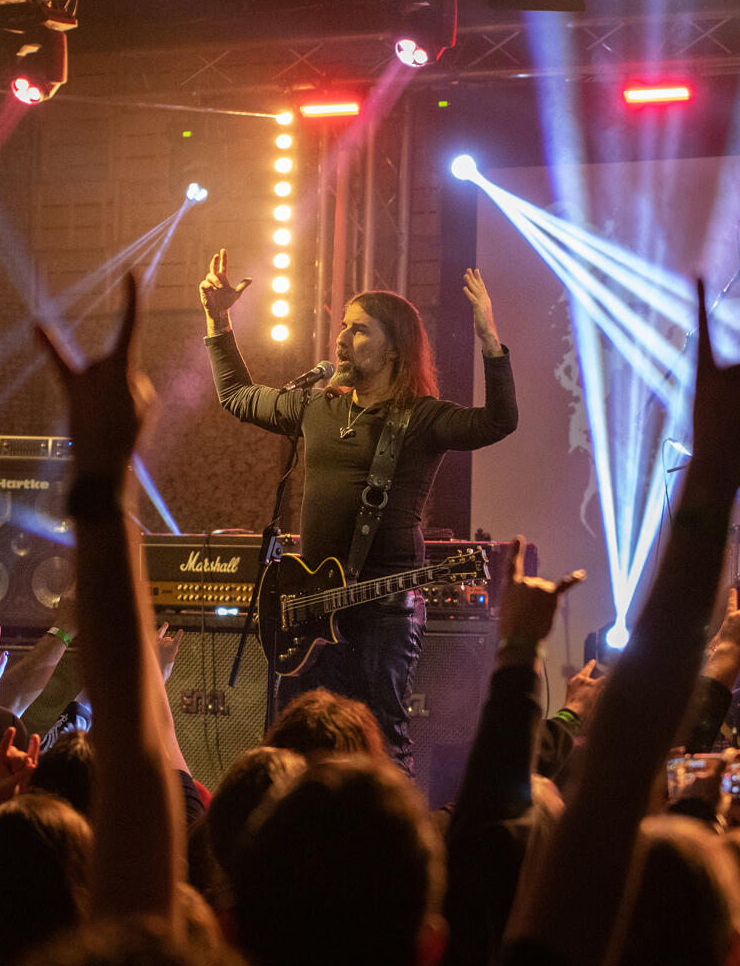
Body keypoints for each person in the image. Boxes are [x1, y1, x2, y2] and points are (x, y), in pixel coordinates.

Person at [200, 251, 516, 766]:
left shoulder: (421, 418)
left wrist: (489, 342)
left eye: (359, 330)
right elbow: (237, 396)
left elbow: (498, 423)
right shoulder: (317, 405)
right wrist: (219, 320)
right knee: (302, 749)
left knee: (380, 748)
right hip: (310, 610)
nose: (342, 340)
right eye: (343, 328)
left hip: (383, 613)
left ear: (395, 347)